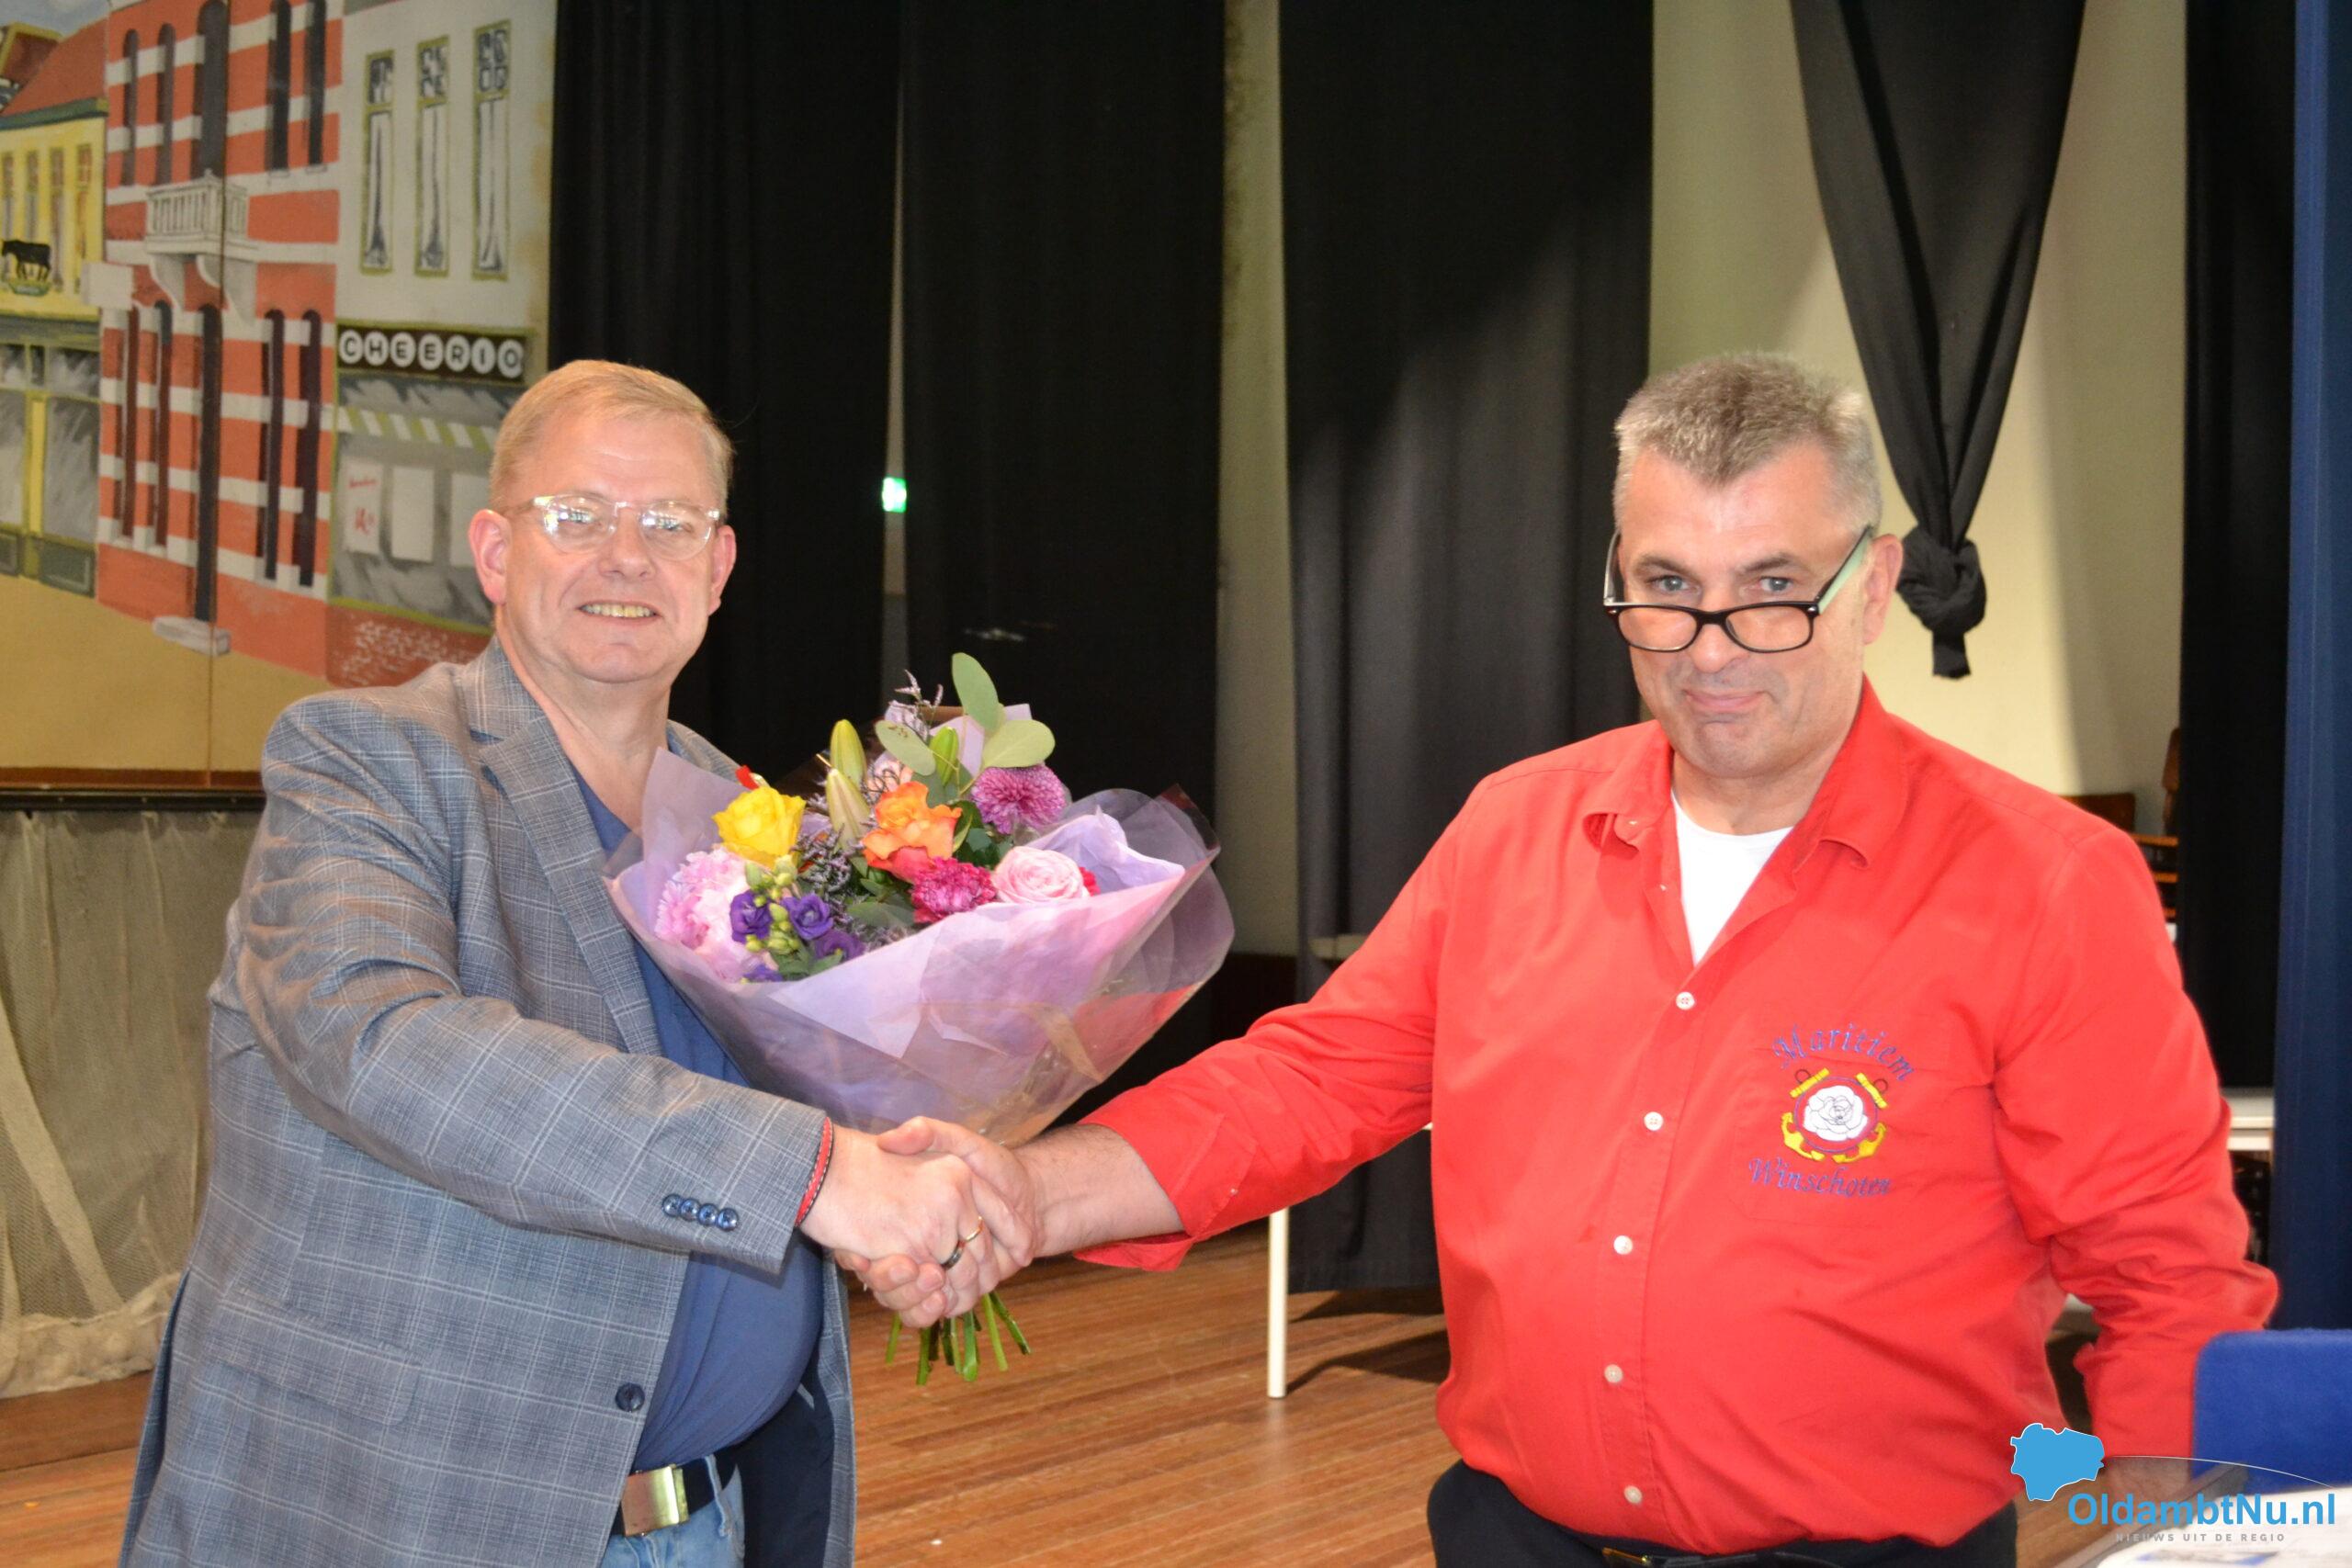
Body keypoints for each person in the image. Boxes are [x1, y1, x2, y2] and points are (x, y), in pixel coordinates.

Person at [850, 355, 2278, 1567]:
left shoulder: (2043, 885)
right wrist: (1024, 1195)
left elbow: (2169, 1281)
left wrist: (2177, 1544)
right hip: (1515, 1537)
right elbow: (1311, 1082)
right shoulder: (1517, 828)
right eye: (1666, 586)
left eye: (1772, 587)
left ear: (1875, 584)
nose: (1710, 648)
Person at [120, 361, 1021, 1568]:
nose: (626, 557)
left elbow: (783, 1110)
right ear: (497, 553)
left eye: (670, 524)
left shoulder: (746, 812)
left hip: (709, 1519)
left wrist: (902, 1196)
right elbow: (377, 1040)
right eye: (578, 516)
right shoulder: (366, 759)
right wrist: (815, 1177)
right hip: (415, 1525)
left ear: (718, 569)